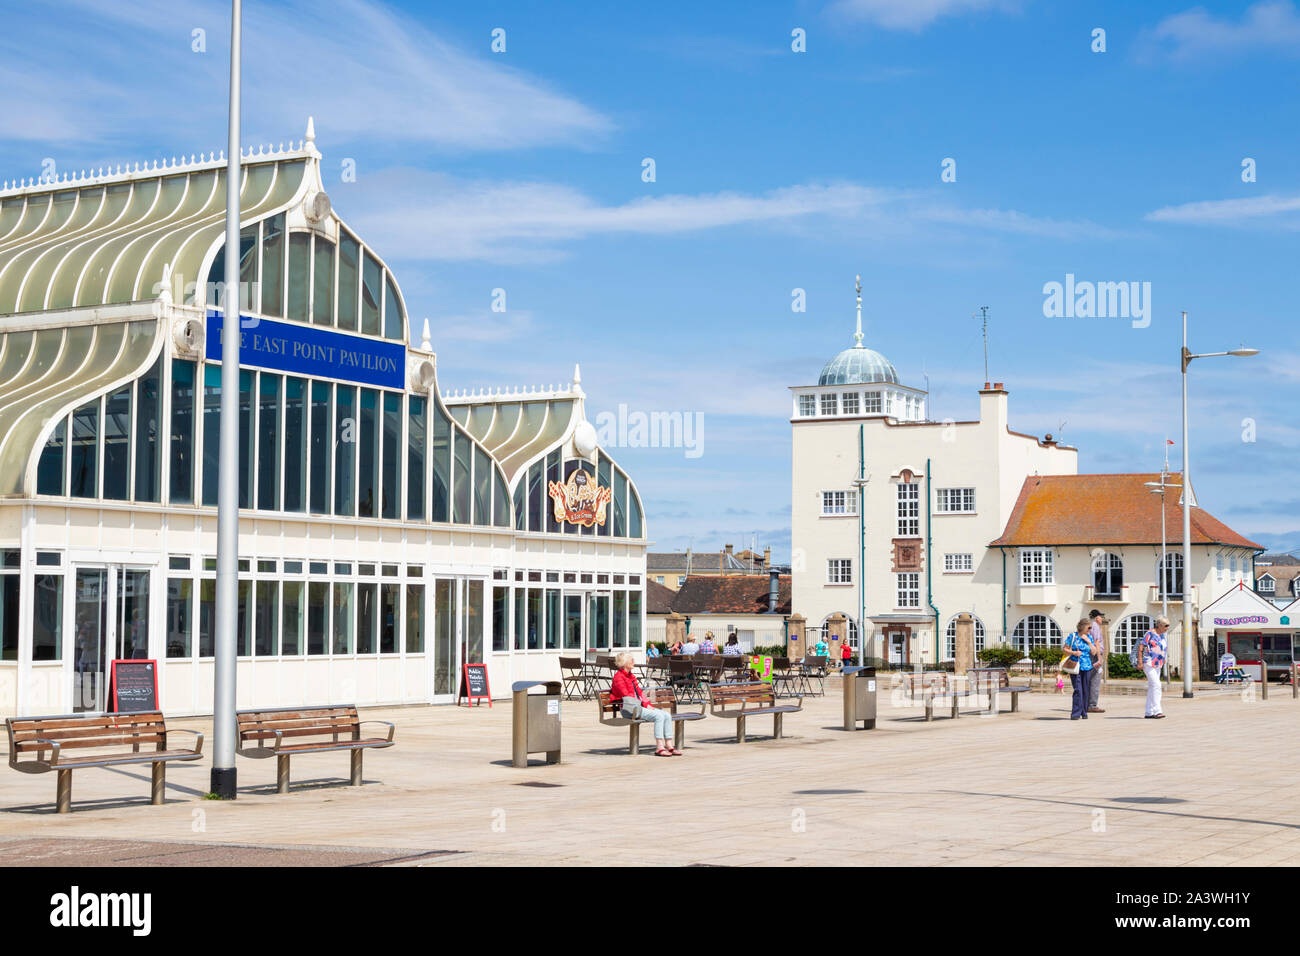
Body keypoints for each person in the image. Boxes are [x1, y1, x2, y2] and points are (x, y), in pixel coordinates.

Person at [610, 652, 680, 756]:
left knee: (666, 715)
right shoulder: (618, 677)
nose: (633, 661)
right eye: (631, 660)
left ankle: (669, 745)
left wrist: (647, 704)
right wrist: (642, 704)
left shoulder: (630, 676)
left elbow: (639, 693)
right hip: (629, 709)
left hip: (638, 707)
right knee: (659, 716)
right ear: (624, 663)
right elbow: (626, 696)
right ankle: (659, 747)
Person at [1062, 617, 1097, 720]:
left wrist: (1089, 642)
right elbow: (1064, 649)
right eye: (1088, 627)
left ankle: (1084, 712)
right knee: (1078, 689)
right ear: (1082, 627)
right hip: (1075, 666)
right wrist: (1074, 653)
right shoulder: (1072, 636)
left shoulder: (1089, 637)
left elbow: (1094, 652)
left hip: (1087, 667)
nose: (1090, 629)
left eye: (1090, 628)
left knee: (1086, 690)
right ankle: (1076, 713)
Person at [1138, 616, 1169, 719]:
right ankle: (1157, 710)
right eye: (1165, 626)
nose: (1167, 628)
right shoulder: (1150, 633)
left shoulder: (1162, 635)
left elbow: (1162, 648)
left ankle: (1149, 711)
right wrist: (1140, 661)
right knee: (1157, 685)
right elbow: (1141, 646)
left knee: (1152, 687)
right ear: (1159, 625)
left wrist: (1164, 657)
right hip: (1149, 662)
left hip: (1157, 663)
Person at [1086, 609, 1106, 714]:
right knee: (1095, 681)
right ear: (1097, 617)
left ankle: (1087, 703)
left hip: (1090, 654)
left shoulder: (1089, 625)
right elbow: (1096, 642)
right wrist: (1099, 658)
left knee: (1089, 680)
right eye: (1101, 617)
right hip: (1094, 655)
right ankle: (1092, 705)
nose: (1102, 619)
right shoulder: (1095, 627)